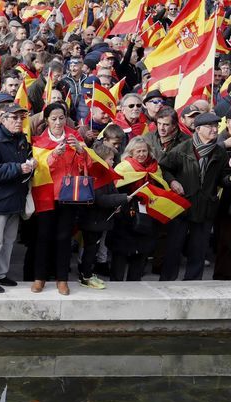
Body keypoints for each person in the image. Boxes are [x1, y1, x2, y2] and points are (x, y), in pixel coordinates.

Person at [158, 112, 231, 281]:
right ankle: (167, 281)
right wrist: (173, 182)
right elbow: (164, 168)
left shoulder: (219, 152)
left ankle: (193, 283)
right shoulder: (182, 149)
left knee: (199, 248)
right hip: (182, 205)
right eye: (210, 127)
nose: (215, 130)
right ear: (198, 129)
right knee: (174, 247)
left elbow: (223, 178)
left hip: (206, 206)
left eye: (216, 126)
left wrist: (229, 178)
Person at [30, 103, 90, 295]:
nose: (58, 122)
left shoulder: (75, 137)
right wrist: (54, 156)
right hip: (46, 195)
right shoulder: (39, 140)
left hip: (69, 194)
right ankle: (39, 277)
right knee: (43, 237)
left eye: (61, 118)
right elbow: (37, 167)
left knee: (64, 238)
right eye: (54, 118)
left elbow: (87, 165)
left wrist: (81, 150)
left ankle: (62, 279)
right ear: (46, 120)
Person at [0, 103, 35, 293]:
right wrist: (18, 168)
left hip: (14, 198)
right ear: (3, 119)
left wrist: (30, 163)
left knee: (9, 239)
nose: (19, 121)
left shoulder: (21, 139)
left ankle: (0, 274)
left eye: (21, 118)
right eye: (14, 118)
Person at [109, 136, 162, 282]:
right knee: (120, 253)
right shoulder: (123, 167)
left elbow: (161, 187)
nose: (142, 154)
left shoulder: (155, 168)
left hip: (146, 215)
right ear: (130, 153)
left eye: (144, 151)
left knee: (141, 252)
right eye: (138, 151)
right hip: (125, 216)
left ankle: (135, 283)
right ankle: (117, 284)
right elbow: (114, 188)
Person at [76, 141, 126, 289]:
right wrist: (123, 198)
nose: (113, 162)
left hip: (99, 220)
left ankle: (89, 274)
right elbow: (101, 200)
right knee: (90, 249)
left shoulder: (105, 174)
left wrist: (117, 205)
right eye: (110, 159)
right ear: (101, 160)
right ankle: (86, 276)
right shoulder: (96, 175)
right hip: (92, 221)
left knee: (94, 249)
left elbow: (111, 194)